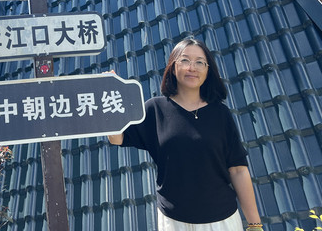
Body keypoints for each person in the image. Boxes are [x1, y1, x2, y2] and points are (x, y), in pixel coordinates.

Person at [108, 37, 262, 231]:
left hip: (222, 220)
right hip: (174, 221)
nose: (192, 67)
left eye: (200, 62)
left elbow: (238, 170)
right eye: (185, 60)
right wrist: (109, 94)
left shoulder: (220, 113)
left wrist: (255, 224)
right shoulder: (155, 109)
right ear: (173, 67)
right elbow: (117, 138)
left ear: (208, 70)